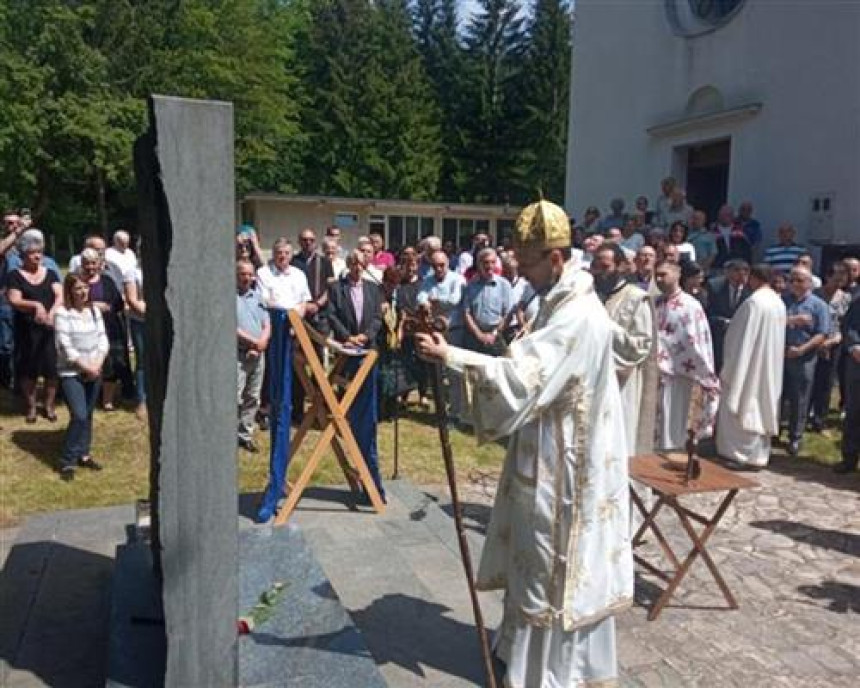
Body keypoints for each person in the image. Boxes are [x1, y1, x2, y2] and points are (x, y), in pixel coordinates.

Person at [415, 199, 633, 688]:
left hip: (565, 472)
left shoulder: (576, 314)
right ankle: (518, 651)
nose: (523, 272)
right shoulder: (562, 300)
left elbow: (522, 378)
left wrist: (449, 354)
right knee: (531, 562)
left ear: (555, 258)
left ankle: (546, 674)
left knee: (548, 569)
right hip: (550, 449)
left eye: (529, 262)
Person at [326, 249, 386, 502]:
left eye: (361, 263)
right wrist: (347, 337)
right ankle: (359, 472)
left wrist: (366, 336)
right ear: (348, 265)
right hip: (347, 354)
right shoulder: (336, 288)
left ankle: (372, 482)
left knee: (367, 417)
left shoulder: (374, 289)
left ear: (365, 265)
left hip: (367, 354)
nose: (357, 267)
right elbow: (331, 315)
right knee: (349, 414)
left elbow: (377, 318)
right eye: (353, 263)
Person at [716, 265, 786, 468]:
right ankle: (758, 454)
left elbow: (740, 337)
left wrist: (729, 362)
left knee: (745, 399)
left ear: (754, 278)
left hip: (749, 363)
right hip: (769, 362)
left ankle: (739, 454)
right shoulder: (777, 301)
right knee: (763, 401)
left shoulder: (754, 302)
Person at [592, 243, 656, 454]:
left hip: (622, 382)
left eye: (605, 267)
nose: (599, 272)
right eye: (596, 266)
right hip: (591, 380)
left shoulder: (636, 299)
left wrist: (605, 326)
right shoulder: (592, 296)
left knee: (617, 441)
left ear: (620, 266)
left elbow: (641, 344)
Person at [654, 261, 720, 451]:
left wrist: (704, 374)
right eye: (656, 275)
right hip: (657, 375)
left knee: (676, 423)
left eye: (663, 275)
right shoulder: (655, 303)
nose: (659, 279)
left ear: (677, 275)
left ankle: (675, 455)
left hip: (683, 374)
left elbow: (699, 341)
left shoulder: (691, 306)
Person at [54, 273, 108, 481]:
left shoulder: (94, 311)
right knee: (79, 415)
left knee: (88, 415)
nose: (83, 292)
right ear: (70, 291)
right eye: (78, 288)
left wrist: (97, 364)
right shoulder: (62, 314)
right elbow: (65, 347)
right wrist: (86, 367)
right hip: (72, 372)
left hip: (95, 369)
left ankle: (84, 454)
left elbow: (103, 340)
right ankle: (67, 460)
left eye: (85, 287)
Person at [6, 231, 62, 422]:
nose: (38, 256)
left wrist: (52, 312)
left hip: (48, 328)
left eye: (40, 252)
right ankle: (31, 407)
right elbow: (14, 300)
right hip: (26, 329)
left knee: (51, 370)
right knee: (28, 369)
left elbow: (60, 295)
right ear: (23, 255)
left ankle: (49, 405)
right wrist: (36, 305)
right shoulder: (15, 275)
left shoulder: (51, 272)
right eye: (33, 253)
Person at [781, 266, 830, 456]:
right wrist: (793, 320)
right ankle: (774, 430)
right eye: (792, 280)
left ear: (809, 283)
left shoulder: (818, 305)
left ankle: (795, 436)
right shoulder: (783, 301)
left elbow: (822, 333)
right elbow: (773, 321)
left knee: (799, 398)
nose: (794, 284)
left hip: (804, 357)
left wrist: (801, 349)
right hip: (781, 354)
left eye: (799, 280)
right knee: (778, 394)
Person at [417, 249, 466, 419]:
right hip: (435, 332)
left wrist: (434, 301)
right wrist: (425, 302)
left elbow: (454, 300)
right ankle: (440, 411)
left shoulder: (457, 279)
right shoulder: (428, 280)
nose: (438, 269)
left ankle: (456, 412)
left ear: (447, 264)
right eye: (435, 266)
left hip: (453, 332)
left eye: (442, 265)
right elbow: (421, 297)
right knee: (436, 373)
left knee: (454, 374)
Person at [78, 248, 130, 411]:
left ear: (99, 264)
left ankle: (107, 400)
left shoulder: (107, 280)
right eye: (87, 263)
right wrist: (91, 306)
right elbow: (70, 303)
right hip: (85, 329)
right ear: (82, 264)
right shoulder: (77, 281)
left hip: (110, 327)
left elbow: (118, 303)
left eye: (93, 263)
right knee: (89, 364)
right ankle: (88, 398)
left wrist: (109, 307)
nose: (90, 267)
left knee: (112, 364)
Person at [809, 261, 851, 431]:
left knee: (826, 382)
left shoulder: (845, 298)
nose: (838, 284)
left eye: (842, 280)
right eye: (836, 279)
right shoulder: (815, 295)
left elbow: (845, 323)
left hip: (834, 344)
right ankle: (804, 414)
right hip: (813, 342)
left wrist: (834, 340)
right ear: (827, 277)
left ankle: (820, 418)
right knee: (810, 380)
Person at [236, 259, 270, 453]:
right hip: (239, 353)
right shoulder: (229, 297)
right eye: (243, 274)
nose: (247, 278)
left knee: (253, 397)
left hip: (258, 354)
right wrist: (252, 342)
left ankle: (245, 435)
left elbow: (267, 324)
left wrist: (262, 341)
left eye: (250, 274)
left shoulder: (258, 297)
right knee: (235, 396)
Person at [462, 248, 512, 356]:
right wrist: (479, 335)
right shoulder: (470, 286)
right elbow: (466, 313)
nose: (490, 266)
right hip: (474, 338)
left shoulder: (504, 285)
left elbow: (508, 314)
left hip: (497, 336)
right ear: (478, 264)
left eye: (493, 262)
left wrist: (494, 334)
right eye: (485, 262)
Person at [706, 260, 751, 372]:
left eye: (745, 273)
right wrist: (724, 322)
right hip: (720, 334)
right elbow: (709, 312)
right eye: (737, 272)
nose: (741, 276)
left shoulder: (751, 290)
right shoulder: (715, 287)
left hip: (742, 336)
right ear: (728, 273)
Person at [834, 295, 860, 473]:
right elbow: (849, 326)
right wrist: (854, 346)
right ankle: (849, 459)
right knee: (854, 413)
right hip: (857, 363)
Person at [122, 260, 147, 420]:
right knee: (143, 361)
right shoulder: (132, 272)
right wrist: (150, 315)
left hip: (163, 322)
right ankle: (142, 400)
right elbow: (132, 300)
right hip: (141, 321)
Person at [711, 205, 753, 269]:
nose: (725, 217)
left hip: (737, 267)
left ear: (733, 216)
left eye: (728, 215)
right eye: (723, 215)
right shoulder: (712, 232)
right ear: (718, 216)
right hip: (718, 267)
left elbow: (747, 252)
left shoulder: (740, 232)